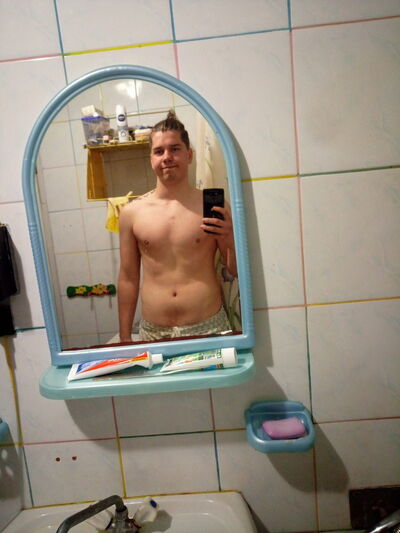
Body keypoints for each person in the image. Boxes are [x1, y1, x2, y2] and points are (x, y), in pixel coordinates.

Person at [117, 110, 237, 342]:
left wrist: (229, 237)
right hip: (153, 332)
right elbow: (128, 278)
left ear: (189, 155)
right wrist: (124, 338)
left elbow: (233, 271)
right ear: (151, 159)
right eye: (159, 151)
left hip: (209, 326)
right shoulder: (132, 213)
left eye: (175, 149)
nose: (167, 157)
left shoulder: (213, 205)